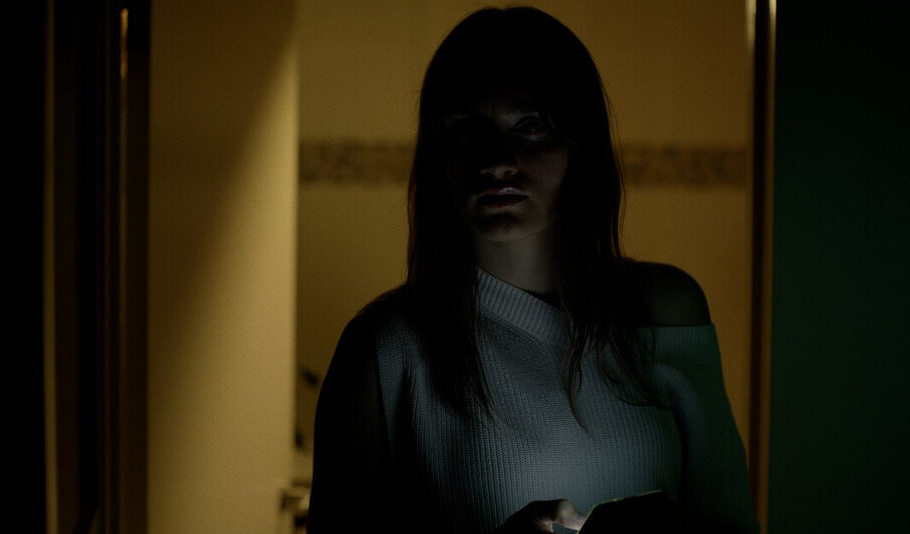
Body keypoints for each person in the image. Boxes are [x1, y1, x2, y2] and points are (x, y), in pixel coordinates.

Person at [308, 6, 758, 533]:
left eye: (531, 126)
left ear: (579, 147)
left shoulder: (667, 310)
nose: (498, 160)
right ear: (437, 152)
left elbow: (732, 523)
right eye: (468, 130)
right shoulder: (385, 348)